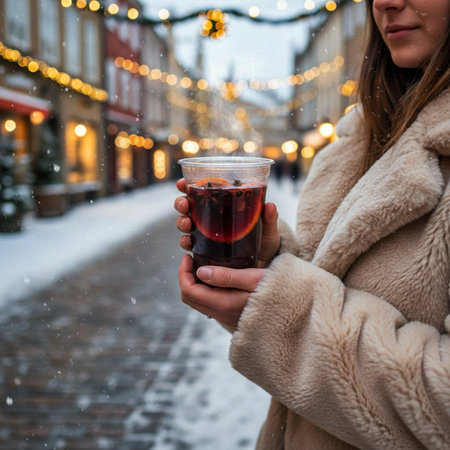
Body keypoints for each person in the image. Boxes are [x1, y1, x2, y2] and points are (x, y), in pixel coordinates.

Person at [174, 0, 450, 447]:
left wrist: (281, 314)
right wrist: (266, 262)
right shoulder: (360, 140)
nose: (385, 2)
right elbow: (340, 287)